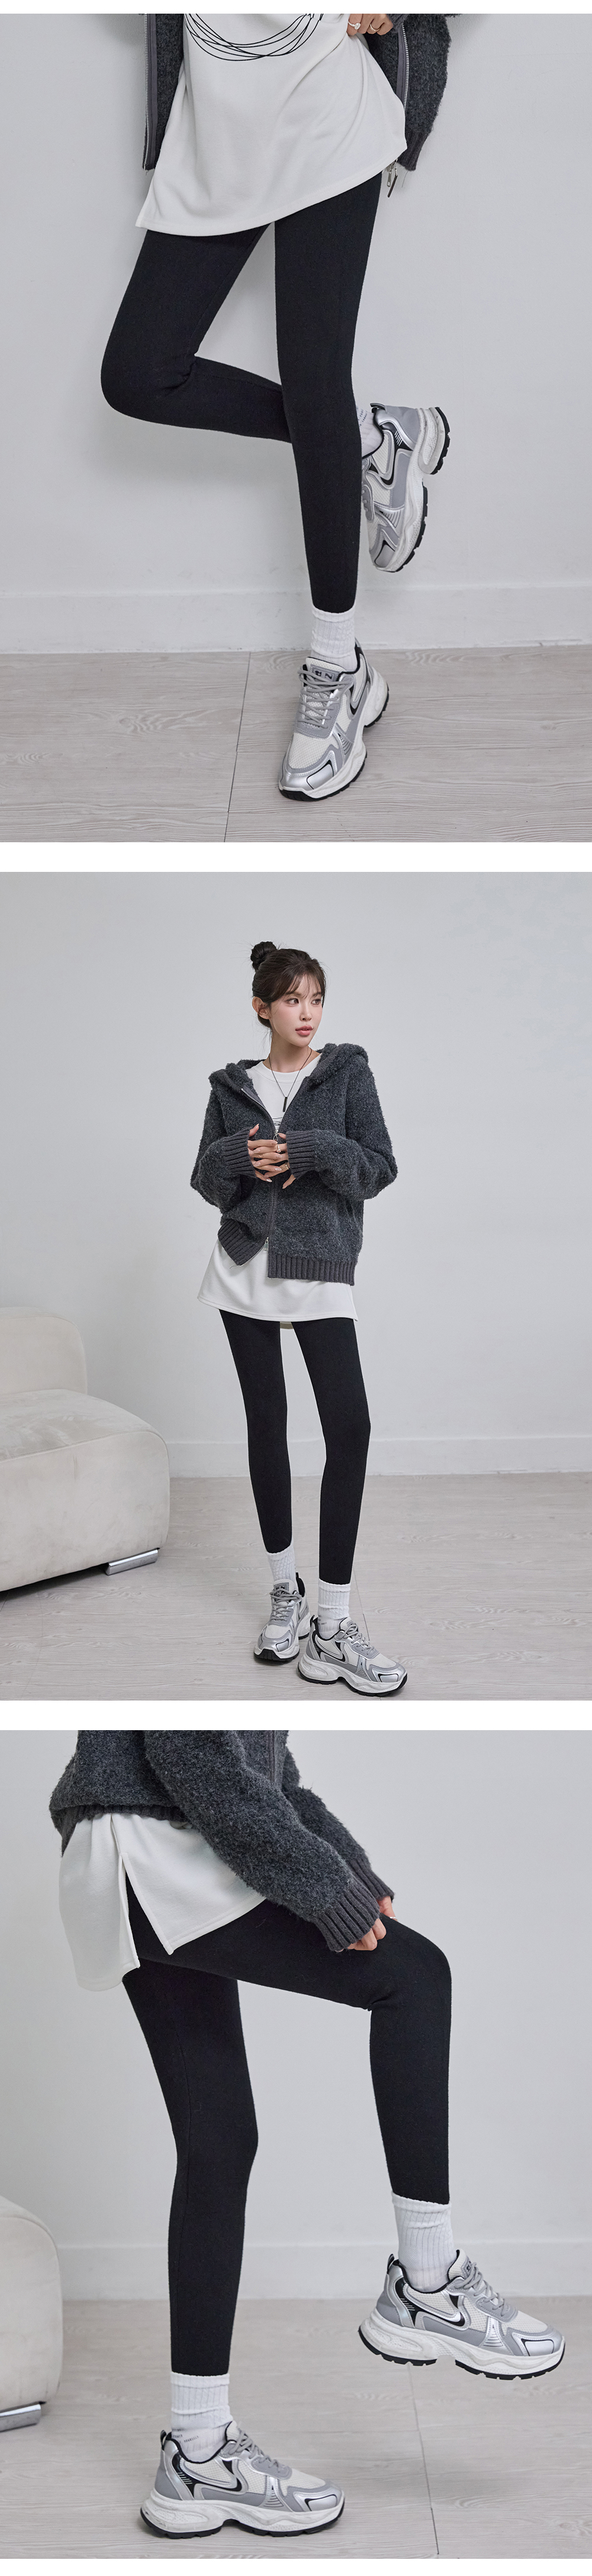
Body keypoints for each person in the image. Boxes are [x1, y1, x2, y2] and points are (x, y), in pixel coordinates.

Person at [50, 1729, 565, 2541]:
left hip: (133, 1845)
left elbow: (272, 1778)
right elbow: (194, 1755)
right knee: (415, 1977)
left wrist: (349, 1870)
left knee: (220, 2142)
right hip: (153, 1838)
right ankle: (427, 2281)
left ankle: (198, 2457)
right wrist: (324, 1890)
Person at [99, 12, 449, 802]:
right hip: (217, 141)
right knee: (139, 375)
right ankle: (374, 439)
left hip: (329, 119)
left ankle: (338, 664)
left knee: (315, 377)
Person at [194, 934, 407, 1693]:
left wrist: (314, 1148)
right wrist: (237, 1159)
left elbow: (378, 1168)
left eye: (316, 999)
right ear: (262, 1007)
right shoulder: (231, 1085)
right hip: (243, 1267)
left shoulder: (346, 1072)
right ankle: (285, 1593)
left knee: (350, 1428)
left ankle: (332, 1623)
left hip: (319, 1268)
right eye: (292, 1000)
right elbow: (205, 1176)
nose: (307, 1012)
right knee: (267, 1422)